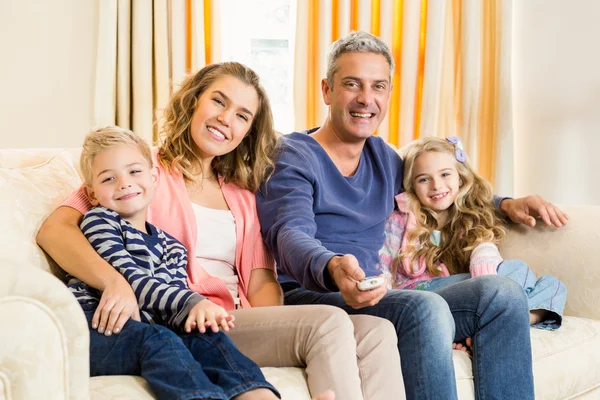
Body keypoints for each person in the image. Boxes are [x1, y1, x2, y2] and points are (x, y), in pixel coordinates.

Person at [37, 62, 400, 400]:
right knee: (328, 321)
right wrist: (114, 282)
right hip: (187, 318)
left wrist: (278, 326)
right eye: (219, 102)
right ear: (194, 101)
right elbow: (56, 229)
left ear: (248, 131)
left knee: (376, 331)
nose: (226, 119)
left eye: (242, 115)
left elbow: (261, 281)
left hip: (236, 320)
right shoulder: (141, 171)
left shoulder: (243, 193)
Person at [256, 31, 569, 400]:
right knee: (425, 308)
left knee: (502, 293)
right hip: (313, 295)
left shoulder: (384, 158)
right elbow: (289, 234)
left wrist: (504, 204)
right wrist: (332, 266)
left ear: (388, 94)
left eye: (378, 87)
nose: (366, 99)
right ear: (327, 90)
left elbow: (435, 190)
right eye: (352, 84)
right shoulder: (293, 155)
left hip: (376, 293)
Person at [69, 126, 280, 399]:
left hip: (142, 327)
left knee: (208, 338)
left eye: (134, 171)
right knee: (159, 339)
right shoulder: (99, 222)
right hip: (93, 327)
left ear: (154, 177)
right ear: (93, 194)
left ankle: (258, 396)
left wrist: (194, 317)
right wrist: (192, 302)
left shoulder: (172, 246)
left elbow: (168, 307)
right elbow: (132, 281)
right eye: (109, 178)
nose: (124, 183)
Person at [377, 136, 567, 332]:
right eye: (424, 179)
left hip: (466, 298)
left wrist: (484, 268)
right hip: (419, 295)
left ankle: (519, 318)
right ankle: (499, 317)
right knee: (514, 271)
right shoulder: (400, 219)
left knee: (554, 286)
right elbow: (382, 267)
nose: (436, 185)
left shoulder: (471, 216)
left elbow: (483, 247)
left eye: (445, 174)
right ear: (411, 186)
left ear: (460, 178)